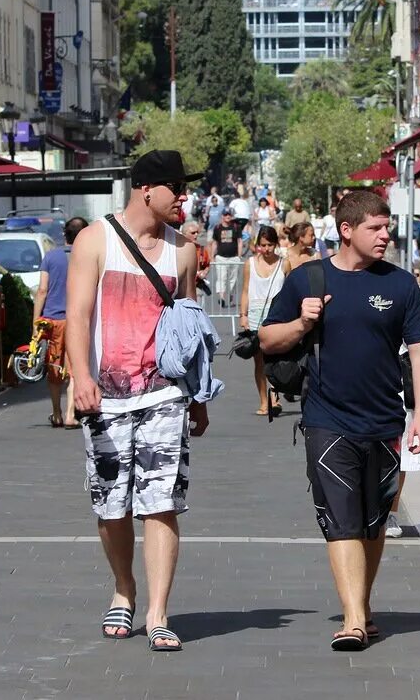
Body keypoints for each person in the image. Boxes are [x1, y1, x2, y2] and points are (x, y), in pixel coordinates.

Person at [259, 190, 420, 652]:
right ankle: (354, 618)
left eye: (386, 227)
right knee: (340, 520)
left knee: (373, 522)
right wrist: (301, 324)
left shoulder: (400, 285)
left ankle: (362, 602)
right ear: (346, 230)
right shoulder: (308, 279)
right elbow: (266, 339)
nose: (385, 236)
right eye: (375, 228)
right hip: (326, 418)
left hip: (384, 420)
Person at [65, 150, 210, 651]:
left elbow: (188, 325)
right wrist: (80, 376)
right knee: (112, 508)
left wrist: (197, 393)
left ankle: (157, 612)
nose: (185, 197)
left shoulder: (183, 252)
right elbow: (78, 317)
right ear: (148, 189)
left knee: (162, 503)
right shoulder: (94, 240)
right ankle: (124, 588)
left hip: (165, 394)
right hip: (105, 398)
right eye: (177, 187)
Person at [34, 216, 89, 429]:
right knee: (74, 367)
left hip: (53, 320)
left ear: (65, 235)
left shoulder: (50, 257)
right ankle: (70, 414)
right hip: (78, 319)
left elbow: (42, 290)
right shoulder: (87, 257)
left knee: (55, 368)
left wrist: (35, 320)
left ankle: (56, 413)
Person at [240, 225, 285, 417]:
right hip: (256, 317)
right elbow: (245, 290)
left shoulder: (285, 264)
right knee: (259, 362)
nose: (266, 249)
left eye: (270, 245)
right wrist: (243, 315)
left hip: (277, 318)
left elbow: (290, 292)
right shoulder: (250, 263)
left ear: (276, 244)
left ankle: (275, 398)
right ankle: (264, 402)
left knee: (274, 360)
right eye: (262, 245)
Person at [211, 209, 244, 308]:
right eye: (225, 214)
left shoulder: (236, 227)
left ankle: (231, 294)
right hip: (221, 257)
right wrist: (212, 256)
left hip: (234, 257)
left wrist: (239, 255)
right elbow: (215, 242)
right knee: (222, 278)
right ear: (222, 216)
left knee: (233, 279)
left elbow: (239, 241)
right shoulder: (217, 228)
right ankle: (222, 297)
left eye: (229, 214)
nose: (227, 216)